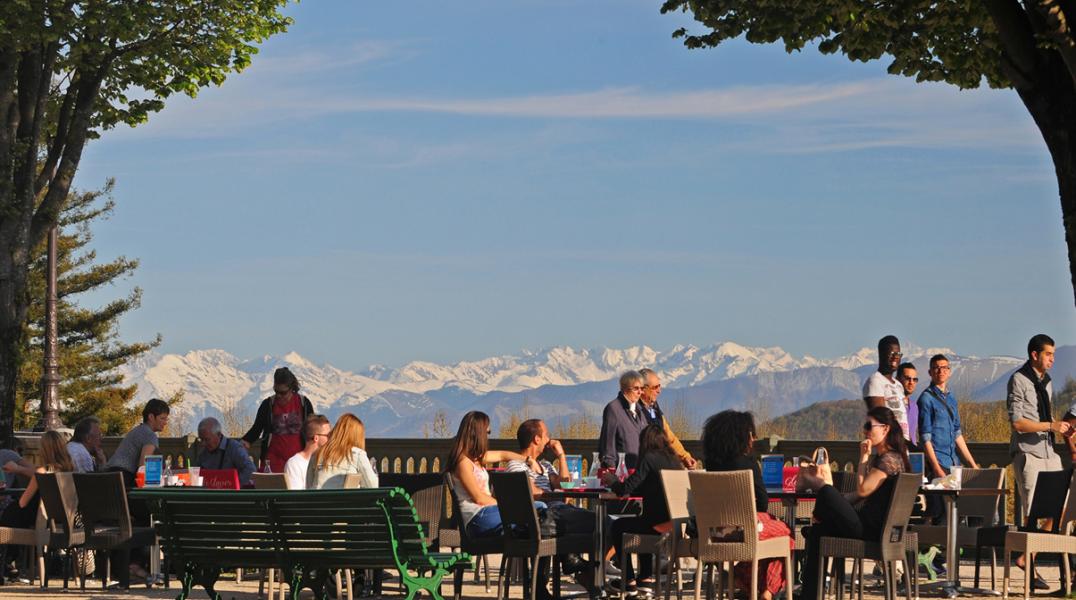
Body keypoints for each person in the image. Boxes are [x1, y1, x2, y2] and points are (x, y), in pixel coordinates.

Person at [799, 406, 909, 600]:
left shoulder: (888, 460)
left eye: (869, 426)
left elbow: (862, 490)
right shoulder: (892, 458)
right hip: (873, 527)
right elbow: (857, 496)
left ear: (885, 429)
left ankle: (813, 491)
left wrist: (863, 458)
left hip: (869, 531)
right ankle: (809, 595)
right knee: (818, 532)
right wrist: (835, 501)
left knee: (824, 489)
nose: (865, 431)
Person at [703, 410, 791, 600]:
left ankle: (745, 583)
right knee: (786, 534)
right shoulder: (748, 464)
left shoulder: (711, 465)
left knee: (769, 539)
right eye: (752, 433)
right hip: (745, 529)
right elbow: (763, 502)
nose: (754, 438)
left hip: (715, 532)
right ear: (743, 436)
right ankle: (765, 592)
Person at [505, 419, 597, 595]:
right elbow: (532, 493)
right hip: (538, 518)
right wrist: (556, 494)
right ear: (537, 439)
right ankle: (574, 564)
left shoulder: (546, 466)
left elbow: (565, 489)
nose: (550, 438)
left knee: (598, 521)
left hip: (557, 513)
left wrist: (561, 456)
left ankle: (579, 568)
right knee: (596, 521)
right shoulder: (515, 466)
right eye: (546, 434)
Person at [1007, 334, 1071, 586]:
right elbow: (1018, 423)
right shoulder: (1018, 380)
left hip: (1049, 452)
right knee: (1032, 512)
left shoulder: (1047, 382)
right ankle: (1030, 569)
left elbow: (1046, 418)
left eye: (1053, 354)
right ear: (1035, 354)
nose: (1053, 359)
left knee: (1064, 508)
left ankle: (1027, 557)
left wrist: (1060, 429)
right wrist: (1051, 425)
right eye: (1048, 354)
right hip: (1029, 453)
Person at [601, 424, 683, 595]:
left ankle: (629, 580)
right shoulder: (674, 460)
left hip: (656, 525)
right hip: (674, 525)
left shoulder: (650, 458)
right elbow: (644, 488)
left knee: (618, 526)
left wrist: (612, 480)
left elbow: (625, 489)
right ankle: (645, 579)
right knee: (641, 519)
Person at [444, 411, 531, 540]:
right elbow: (479, 498)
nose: (488, 436)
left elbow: (503, 455)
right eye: (487, 432)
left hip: (489, 513)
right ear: (478, 433)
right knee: (534, 510)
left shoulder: (477, 458)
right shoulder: (463, 463)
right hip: (477, 518)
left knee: (534, 515)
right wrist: (506, 505)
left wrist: (528, 460)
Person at [241, 367, 315, 473]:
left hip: (299, 464)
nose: (279, 396)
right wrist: (243, 443)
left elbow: (312, 431)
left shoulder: (304, 404)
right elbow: (256, 429)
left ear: (292, 388)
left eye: (283, 392)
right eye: (276, 391)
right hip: (272, 463)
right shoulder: (268, 405)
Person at [919, 354, 977, 481]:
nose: (941, 371)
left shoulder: (951, 399)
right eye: (936, 368)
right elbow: (925, 437)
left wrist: (973, 465)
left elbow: (957, 434)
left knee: (956, 500)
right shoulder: (926, 399)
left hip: (954, 463)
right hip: (938, 463)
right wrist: (936, 468)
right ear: (930, 372)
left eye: (944, 368)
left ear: (949, 372)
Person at [0, 431, 74, 528]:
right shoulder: (70, 470)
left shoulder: (42, 472)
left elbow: (23, 502)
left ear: (44, 450)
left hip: (37, 518)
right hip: (61, 517)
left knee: (9, 514)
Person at [638, 368, 697, 468]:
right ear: (643, 389)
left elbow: (669, 437)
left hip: (659, 464)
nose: (659, 391)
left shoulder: (655, 408)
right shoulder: (635, 411)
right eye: (655, 387)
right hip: (644, 466)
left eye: (659, 386)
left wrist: (685, 457)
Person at [106, 398, 170, 487]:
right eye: (162, 418)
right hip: (123, 479)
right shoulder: (150, 435)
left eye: (166, 419)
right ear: (151, 417)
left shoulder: (136, 430)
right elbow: (142, 468)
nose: (165, 422)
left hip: (108, 476)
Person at [306, 413, 378, 490]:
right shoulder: (357, 454)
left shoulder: (317, 453)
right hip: (345, 501)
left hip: (317, 500)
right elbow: (372, 486)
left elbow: (309, 483)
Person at [598, 370, 650, 469]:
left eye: (642, 388)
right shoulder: (613, 409)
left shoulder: (640, 410)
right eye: (636, 388)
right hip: (621, 471)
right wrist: (610, 467)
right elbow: (607, 443)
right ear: (625, 389)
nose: (640, 392)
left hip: (640, 471)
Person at [863, 335, 911, 437]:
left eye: (898, 354)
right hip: (887, 447)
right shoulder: (876, 381)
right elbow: (880, 419)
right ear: (881, 355)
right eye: (891, 353)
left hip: (902, 446)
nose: (895, 357)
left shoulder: (898, 385)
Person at [196, 417, 256, 486]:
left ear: (218, 435)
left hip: (231, 494)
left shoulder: (234, 448)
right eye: (201, 439)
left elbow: (251, 470)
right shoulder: (203, 454)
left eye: (207, 439)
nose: (203, 444)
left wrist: (234, 484)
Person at [284, 414, 331, 489]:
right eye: (328, 435)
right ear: (316, 438)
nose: (331, 439)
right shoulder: (294, 464)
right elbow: (295, 497)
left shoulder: (328, 461)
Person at [896, 363, 919, 446]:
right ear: (897, 380)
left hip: (911, 455)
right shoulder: (891, 404)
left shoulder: (914, 407)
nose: (911, 382)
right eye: (907, 378)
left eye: (914, 379)